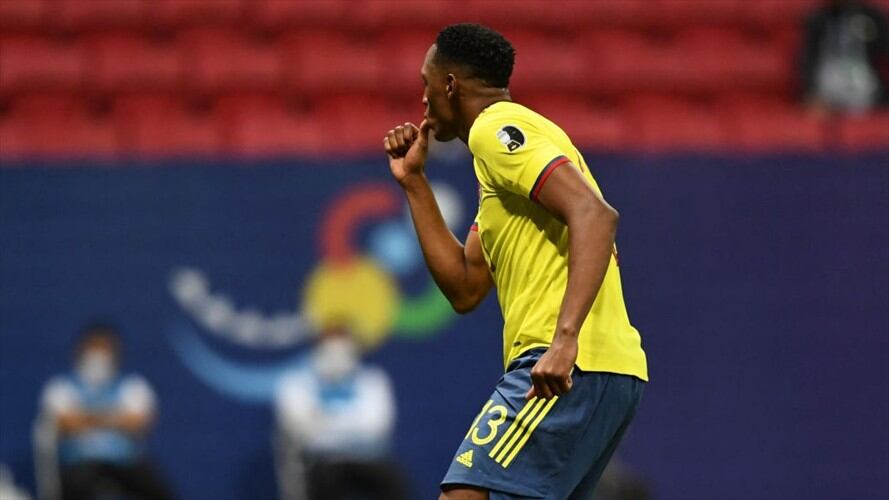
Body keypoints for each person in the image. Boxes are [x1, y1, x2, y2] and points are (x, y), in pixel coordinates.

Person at [383, 24, 648, 500]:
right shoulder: (504, 175)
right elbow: (465, 288)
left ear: (450, 85)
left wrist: (564, 342)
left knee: (466, 495)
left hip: (564, 362)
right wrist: (415, 183)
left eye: (426, 83)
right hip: (610, 369)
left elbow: (595, 214)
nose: (422, 100)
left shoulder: (494, 129)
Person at [40, 323, 172, 500]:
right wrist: (116, 418)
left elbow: (137, 423)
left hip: (125, 464)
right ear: (81, 349)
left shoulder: (133, 385)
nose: (99, 355)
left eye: (104, 348)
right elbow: (67, 424)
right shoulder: (60, 386)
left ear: (116, 352)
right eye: (94, 347)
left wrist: (87, 418)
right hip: (79, 464)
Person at [274, 325, 407, 500]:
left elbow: (377, 427)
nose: (337, 355)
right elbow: (301, 430)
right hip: (320, 464)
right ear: (317, 348)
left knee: (394, 482)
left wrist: (324, 419)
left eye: (342, 348)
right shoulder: (296, 383)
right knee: (327, 482)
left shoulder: (373, 380)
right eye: (330, 349)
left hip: (369, 461)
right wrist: (352, 423)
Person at [801, 0, 889, 113]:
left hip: (864, 81)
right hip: (828, 81)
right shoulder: (818, 18)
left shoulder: (873, 16)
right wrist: (810, 92)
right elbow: (808, 59)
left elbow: (884, 51)